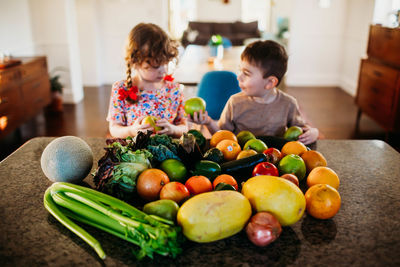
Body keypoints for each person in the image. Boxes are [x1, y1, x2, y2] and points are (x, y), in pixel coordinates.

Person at [189, 40, 319, 145]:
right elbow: (222, 135)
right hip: (241, 158)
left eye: (246, 73)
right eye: (240, 71)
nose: (238, 77)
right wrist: (209, 122)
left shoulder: (288, 103)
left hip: (276, 159)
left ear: (270, 82)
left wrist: (313, 132)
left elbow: (302, 130)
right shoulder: (235, 102)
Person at [107, 23, 187, 138]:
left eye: (165, 63)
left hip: (166, 152)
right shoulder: (121, 89)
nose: (163, 70)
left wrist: (173, 129)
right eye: (155, 66)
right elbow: (114, 128)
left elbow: (184, 126)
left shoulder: (174, 90)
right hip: (135, 153)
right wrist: (131, 131)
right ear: (134, 62)